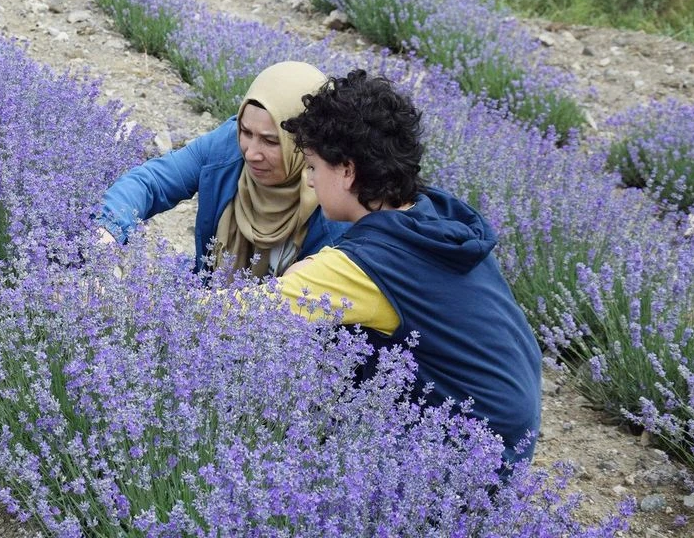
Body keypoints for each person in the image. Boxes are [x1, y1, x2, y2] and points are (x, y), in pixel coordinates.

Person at [270, 69, 542, 469]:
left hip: (468, 459)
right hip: (513, 429)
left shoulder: (370, 265)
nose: (308, 181)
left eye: (312, 167)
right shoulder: (433, 215)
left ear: (346, 170)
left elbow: (241, 314)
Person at [98, 62, 349, 277]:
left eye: (271, 141)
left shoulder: (337, 204)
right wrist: (107, 229)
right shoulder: (226, 146)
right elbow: (151, 182)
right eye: (246, 132)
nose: (251, 153)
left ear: (307, 143)